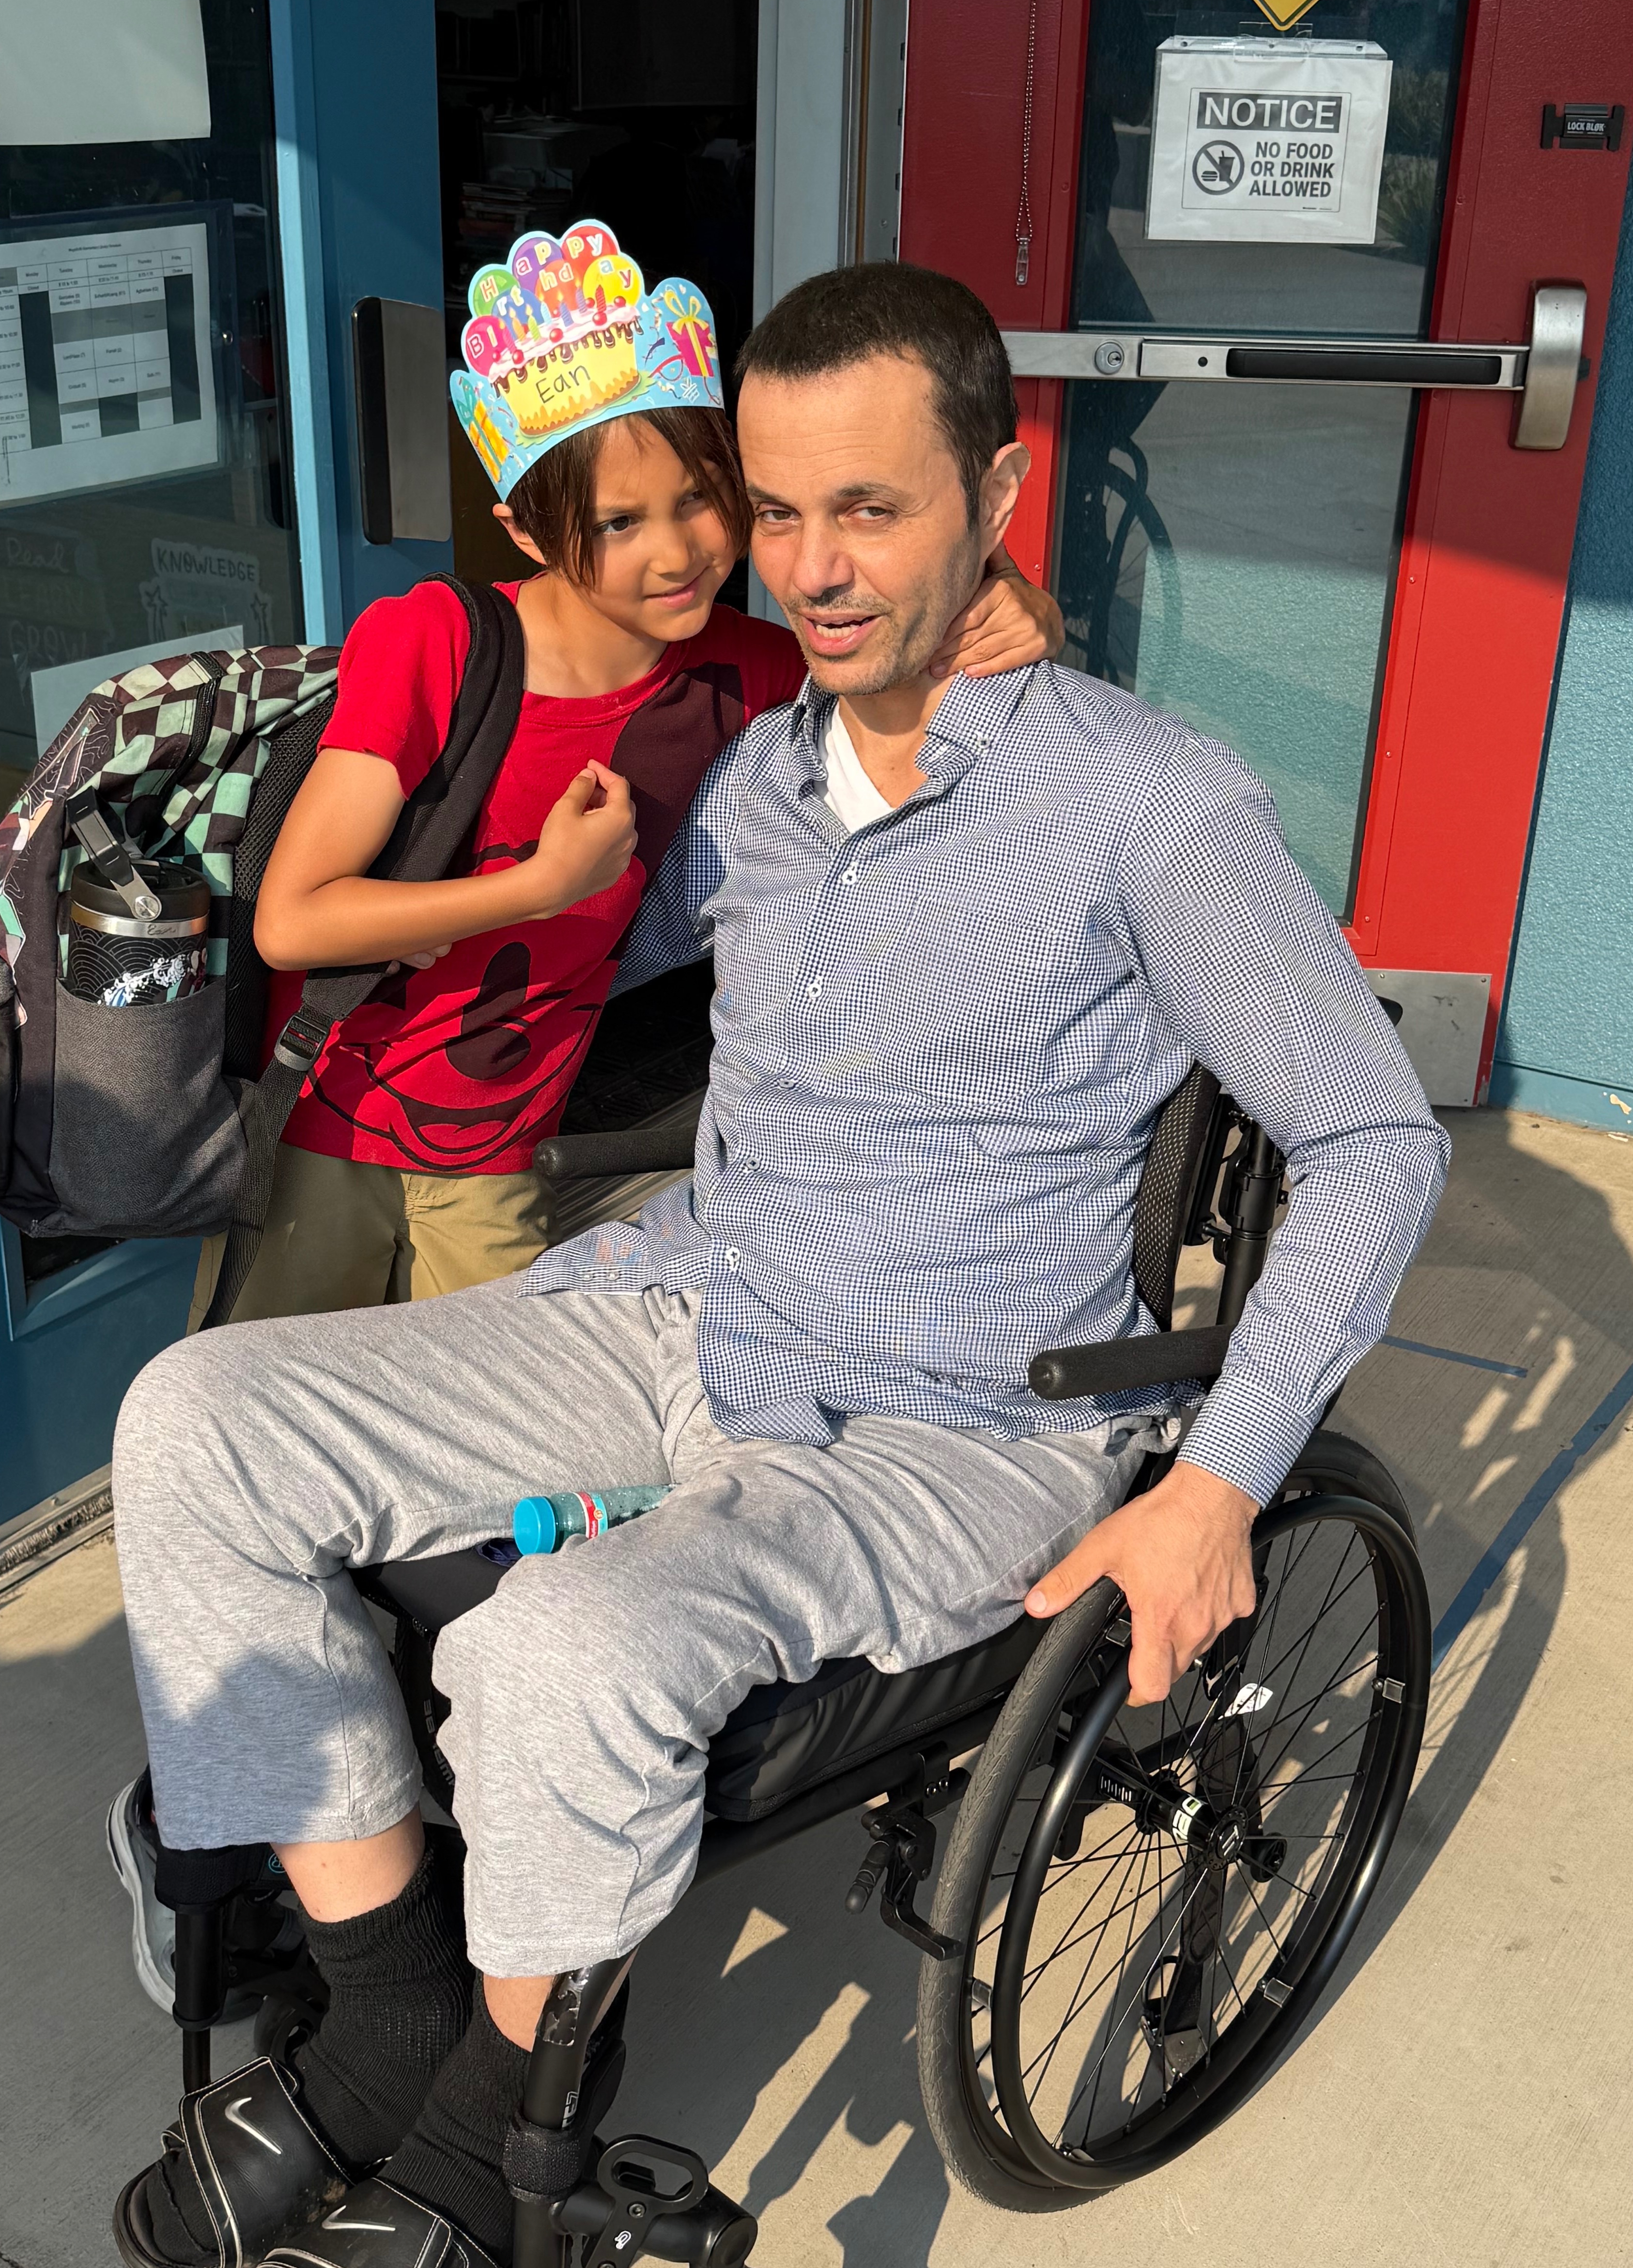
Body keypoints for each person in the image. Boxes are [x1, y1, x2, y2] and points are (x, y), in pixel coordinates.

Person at [107, 262, 1449, 2268]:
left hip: (952, 1421)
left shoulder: (1148, 804)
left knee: (557, 1648)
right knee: (197, 1418)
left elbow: (1372, 1140)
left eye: (875, 511)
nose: (813, 568)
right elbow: (586, 935)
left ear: (997, 496)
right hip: (685, 1303)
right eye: (784, 509)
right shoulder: (750, 776)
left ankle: (472, 2149)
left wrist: (1219, 1484)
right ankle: (384, 2024)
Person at [106, 229, 1059, 2007]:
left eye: (702, 501)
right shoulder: (435, 641)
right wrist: (535, 887)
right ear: (532, 528)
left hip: (496, 1162)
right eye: (619, 521)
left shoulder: (743, 670)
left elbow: (923, 664)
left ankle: (440, 1853)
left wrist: (1015, 611)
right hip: (335, 1145)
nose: (678, 549)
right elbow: (299, 915)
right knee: (239, 1503)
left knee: (481, 1530)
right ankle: (202, 1859)